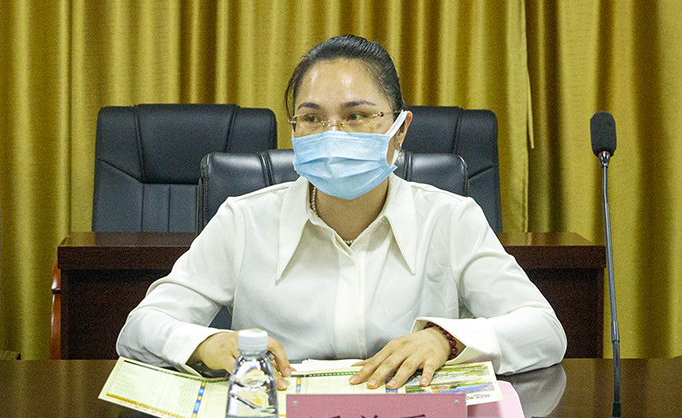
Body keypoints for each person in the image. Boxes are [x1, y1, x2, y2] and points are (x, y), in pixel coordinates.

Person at [116, 34, 566, 390]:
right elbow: (140, 327)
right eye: (312, 118)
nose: (332, 134)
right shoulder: (243, 221)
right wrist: (207, 343)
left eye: (356, 116)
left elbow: (544, 330)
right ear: (295, 130)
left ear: (399, 130)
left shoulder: (450, 219)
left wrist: (444, 340)